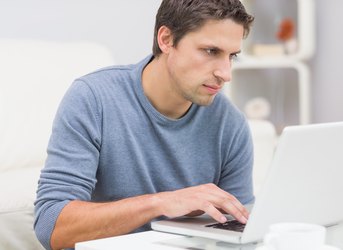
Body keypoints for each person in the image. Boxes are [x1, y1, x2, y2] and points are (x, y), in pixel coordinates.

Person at [34, 0, 255, 249]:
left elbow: (241, 232)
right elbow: (50, 227)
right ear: (166, 39)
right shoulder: (93, 99)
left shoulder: (230, 124)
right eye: (211, 51)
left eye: (232, 56)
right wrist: (160, 203)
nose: (226, 73)